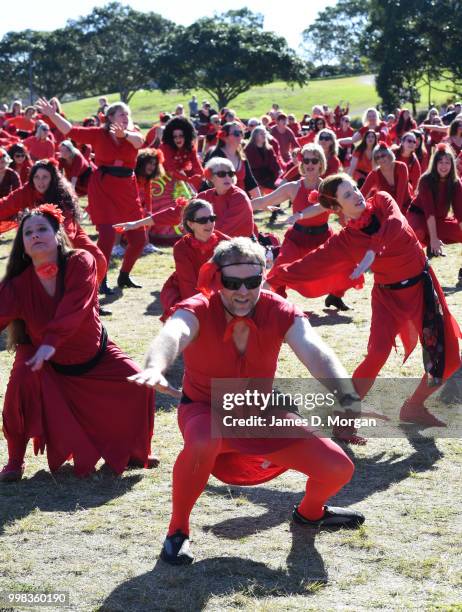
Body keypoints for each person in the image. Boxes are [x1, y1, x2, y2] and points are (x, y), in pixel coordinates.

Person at [130, 237, 366, 565]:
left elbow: (315, 350)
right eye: (232, 282)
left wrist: (345, 392)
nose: (243, 291)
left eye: (253, 282)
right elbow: (173, 334)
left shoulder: (280, 310)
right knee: (202, 439)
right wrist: (156, 366)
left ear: (264, 277)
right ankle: (177, 532)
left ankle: (310, 515)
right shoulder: (198, 308)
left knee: (338, 468)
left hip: (259, 414)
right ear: (216, 278)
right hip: (205, 410)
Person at [267, 174, 461, 428]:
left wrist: (373, 249)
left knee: (448, 361)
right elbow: (311, 263)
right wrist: (272, 277)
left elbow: (395, 222)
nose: (357, 194)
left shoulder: (382, 201)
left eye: (355, 188)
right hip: (387, 297)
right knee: (377, 353)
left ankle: (414, 407)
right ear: (336, 208)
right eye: (347, 195)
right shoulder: (345, 241)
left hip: (422, 288)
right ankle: (344, 418)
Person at [0, 206, 155, 482]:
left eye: (42, 229)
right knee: (19, 384)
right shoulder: (17, 285)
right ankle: (14, 460)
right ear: (23, 246)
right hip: (44, 360)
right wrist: (46, 347)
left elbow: (76, 306)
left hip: (94, 355)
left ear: (58, 235)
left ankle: (133, 451)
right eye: (28, 232)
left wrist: (51, 341)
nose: (35, 235)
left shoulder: (81, 261)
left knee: (139, 383)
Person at [36, 97, 147, 293]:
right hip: (103, 188)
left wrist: (125, 133)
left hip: (127, 189)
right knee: (106, 235)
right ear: (110, 117)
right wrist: (52, 114)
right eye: (122, 114)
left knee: (138, 238)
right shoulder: (98, 134)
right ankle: (100, 279)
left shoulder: (133, 132)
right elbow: (70, 130)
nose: (126, 117)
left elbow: (139, 142)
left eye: (127, 115)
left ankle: (124, 276)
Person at [251, 144, 351, 311]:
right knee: (280, 270)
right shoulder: (293, 187)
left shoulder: (327, 187)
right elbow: (263, 201)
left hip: (322, 238)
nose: (310, 164)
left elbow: (321, 207)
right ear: (302, 163)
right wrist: (240, 203)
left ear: (321, 163)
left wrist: (300, 215)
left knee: (347, 263)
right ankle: (277, 303)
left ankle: (335, 296)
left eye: (314, 160)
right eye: (306, 160)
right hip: (297, 239)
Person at [0, 159, 107, 286]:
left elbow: (68, 226)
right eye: (37, 177)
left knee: (98, 259)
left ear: (53, 178)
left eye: (45, 177)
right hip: (40, 235)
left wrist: (57, 244)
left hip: (69, 233)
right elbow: (6, 204)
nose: (40, 181)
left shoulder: (62, 193)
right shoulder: (28, 190)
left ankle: (90, 298)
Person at [159, 199, 229, 316]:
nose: (209, 224)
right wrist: (198, 310)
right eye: (203, 220)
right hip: (187, 289)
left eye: (212, 218)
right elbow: (188, 285)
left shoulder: (226, 243)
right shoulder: (181, 247)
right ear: (191, 224)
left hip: (220, 290)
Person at [407, 143, 462, 285]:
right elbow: (429, 212)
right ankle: (413, 273)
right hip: (418, 217)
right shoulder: (426, 180)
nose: (444, 166)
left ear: (452, 164)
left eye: (447, 162)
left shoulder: (456, 183)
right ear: (434, 163)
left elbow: (460, 213)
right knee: (417, 234)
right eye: (440, 162)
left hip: (438, 219)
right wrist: (434, 238)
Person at [198, 157, 255, 238]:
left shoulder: (239, 197)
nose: (227, 177)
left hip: (238, 246)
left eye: (230, 174)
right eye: (222, 174)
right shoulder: (204, 196)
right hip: (213, 241)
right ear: (211, 177)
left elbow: (224, 230)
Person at [204, 122, 261, 198]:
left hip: (240, 200)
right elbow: (210, 183)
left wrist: (261, 202)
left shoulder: (241, 156)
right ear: (224, 137)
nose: (240, 136)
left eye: (241, 132)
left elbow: (250, 181)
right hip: (221, 201)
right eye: (236, 133)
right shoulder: (216, 155)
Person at [360, 142, 411, 213]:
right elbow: (362, 193)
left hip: (406, 207)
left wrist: (396, 214)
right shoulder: (374, 173)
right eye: (377, 157)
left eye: (383, 155)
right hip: (386, 210)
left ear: (389, 154)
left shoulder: (401, 167)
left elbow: (400, 195)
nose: (381, 159)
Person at [159, 116, 203, 191]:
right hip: (161, 179)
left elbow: (197, 166)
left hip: (179, 177)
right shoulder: (165, 147)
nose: (178, 139)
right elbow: (171, 170)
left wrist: (202, 176)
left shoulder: (190, 147)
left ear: (186, 136)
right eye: (175, 136)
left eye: (181, 136)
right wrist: (188, 180)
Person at [244, 126, 281, 193]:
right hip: (255, 177)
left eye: (264, 133)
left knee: (279, 187)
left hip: (269, 175)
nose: (264, 135)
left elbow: (274, 163)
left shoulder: (269, 148)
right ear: (255, 136)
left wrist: (279, 171)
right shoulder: (248, 149)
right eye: (261, 134)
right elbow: (249, 168)